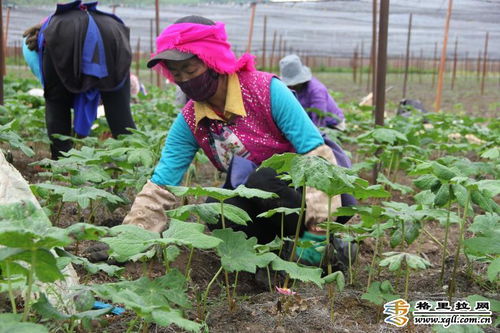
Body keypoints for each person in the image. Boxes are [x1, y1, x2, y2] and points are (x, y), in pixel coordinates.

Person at [87, 15, 356, 272]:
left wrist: (318, 232)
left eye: (190, 69)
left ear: (213, 61)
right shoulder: (191, 119)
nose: (184, 80)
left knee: (263, 179)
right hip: (265, 203)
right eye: (176, 73)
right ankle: (275, 255)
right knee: (218, 211)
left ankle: (325, 246)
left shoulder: (267, 90)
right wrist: (129, 240)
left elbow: (317, 159)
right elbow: (162, 183)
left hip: (319, 195)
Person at [22, 0, 136, 159]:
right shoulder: (108, 21)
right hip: (113, 33)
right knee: (120, 112)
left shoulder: (37, 41)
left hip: (62, 36)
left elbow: (50, 91)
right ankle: (134, 161)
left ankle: (61, 164)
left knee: (57, 105)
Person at [279, 54, 346, 130]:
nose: (290, 86)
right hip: (309, 122)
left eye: (293, 83)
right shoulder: (292, 89)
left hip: (332, 125)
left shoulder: (317, 90)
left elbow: (319, 121)